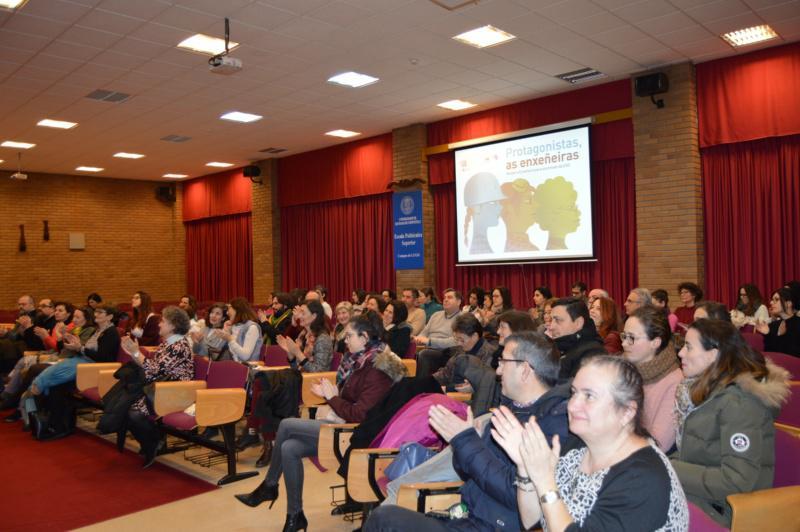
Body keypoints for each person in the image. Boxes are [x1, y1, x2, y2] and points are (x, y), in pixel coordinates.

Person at [368, 331, 570, 531]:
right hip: (467, 517)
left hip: (493, 526)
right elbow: (467, 472)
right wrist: (461, 441)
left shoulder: (553, 424)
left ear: (525, 370)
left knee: (385, 520)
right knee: (384, 519)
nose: (498, 372)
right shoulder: (511, 410)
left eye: (503, 363)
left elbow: (513, 492)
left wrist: (465, 440)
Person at [234, 311, 406, 532]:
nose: (345, 339)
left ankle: (269, 486)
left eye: (350, 335)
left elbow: (360, 415)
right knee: (289, 448)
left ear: (364, 337)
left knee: (286, 425)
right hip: (345, 425)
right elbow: (351, 401)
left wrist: (331, 397)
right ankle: (295, 516)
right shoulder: (359, 360)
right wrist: (333, 394)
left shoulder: (377, 368)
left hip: (360, 434)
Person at [492, 355, 689, 531]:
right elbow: (531, 522)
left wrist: (545, 480)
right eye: (574, 392)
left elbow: (547, 497)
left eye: (589, 396)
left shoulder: (644, 478)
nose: (572, 405)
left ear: (627, 412)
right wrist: (525, 468)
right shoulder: (577, 445)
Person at [672, 319, 790, 526]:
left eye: (689, 347)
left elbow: (736, 480)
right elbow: (693, 454)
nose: (681, 353)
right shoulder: (712, 393)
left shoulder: (739, 404)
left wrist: (670, 469)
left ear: (713, 355)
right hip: (701, 499)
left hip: (727, 512)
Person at [122, 306, 194, 467]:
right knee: (124, 405)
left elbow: (153, 370)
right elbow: (152, 370)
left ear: (173, 326)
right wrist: (132, 353)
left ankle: (152, 444)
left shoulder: (179, 346)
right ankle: (153, 441)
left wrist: (135, 353)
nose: (159, 324)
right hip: (161, 388)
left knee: (134, 413)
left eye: (163, 321)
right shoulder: (167, 343)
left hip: (176, 393)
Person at [622, 306, 682, 452]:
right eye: (623, 336)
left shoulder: (675, 383)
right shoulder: (621, 370)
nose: (624, 343)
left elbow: (657, 445)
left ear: (655, 342)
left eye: (632, 338)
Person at [546, 297, 606, 382]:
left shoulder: (592, 354)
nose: (551, 327)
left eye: (558, 320)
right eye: (551, 320)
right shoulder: (559, 347)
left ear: (578, 323)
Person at [431, 313, 496, 390]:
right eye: (456, 339)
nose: (458, 343)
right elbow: (445, 374)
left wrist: (446, 388)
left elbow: (474, 386)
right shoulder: (461, 350)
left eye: (461, 339)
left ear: (474, 336)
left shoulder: (489, 355)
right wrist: (428, 381)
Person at [413, 289, 463, 377]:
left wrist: (430, 341)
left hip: (448, 353)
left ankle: (421, 384)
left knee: (424, 354)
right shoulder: (436, 315)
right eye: (444, 297)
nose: (445, 299)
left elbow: (455, 341)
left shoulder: (462, 318)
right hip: (428, 348)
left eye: (450, 297)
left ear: (458, 302)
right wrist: (418, 338)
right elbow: (424, 333)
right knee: (412, 352)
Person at [755, 287, 800, 357]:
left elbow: (793, 355)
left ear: (788, 303)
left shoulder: (798, 324)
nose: (771, 302)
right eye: (772, 300)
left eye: (776, 299)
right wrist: (767, 334)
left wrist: (779, 337)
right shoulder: (773, 325)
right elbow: (770, 353)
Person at [216, 297, 263, 363]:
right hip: (234, 365)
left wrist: (230, 339)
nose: (227, 313)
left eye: (229, 309)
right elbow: (218, 348)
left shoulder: (252, 327)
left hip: (248, 369)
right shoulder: (234, 326)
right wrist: (225, 330)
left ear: (237, 310)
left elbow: (245, 356)